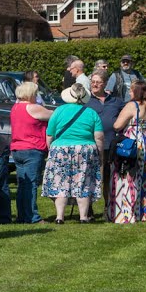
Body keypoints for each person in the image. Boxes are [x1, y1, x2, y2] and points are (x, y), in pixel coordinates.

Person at [42, 84, 104, 224]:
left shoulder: (59, 111)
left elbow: (50, 135)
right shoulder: (91, 113)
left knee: (60, 183)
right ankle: (83, 217)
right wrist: (99, 155)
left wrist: (51, 150)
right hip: (84, 149)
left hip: (60, 149)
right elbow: (99, 137)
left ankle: (59, 217)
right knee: (83, 182)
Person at [108, 80, 146, 222]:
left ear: (137, 91)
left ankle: (128, 213)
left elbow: (117, 125)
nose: (129, 93)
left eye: (131, 90)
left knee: (130, 175)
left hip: (134, 143)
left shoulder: (132, 105)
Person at [11, 81, 52, 224]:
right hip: (32, 148)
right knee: (31, 184)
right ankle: (32, 217)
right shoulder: (33, 108)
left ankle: (22, 215)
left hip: (17, 148)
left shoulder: (15, 108)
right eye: (35, 93)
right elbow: (54, 115)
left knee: (23, 184)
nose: (37, 96)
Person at [87, 69, 123, 206]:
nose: (94, 85)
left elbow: (131, 111)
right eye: (93, 82)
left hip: (110, 145)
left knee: (108, 179)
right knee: (89, 178)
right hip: (91, 145)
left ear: (105, 84)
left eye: (98, 82)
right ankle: (87, 209)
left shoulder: (116, 101)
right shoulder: (85, 101)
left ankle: (108, 208)